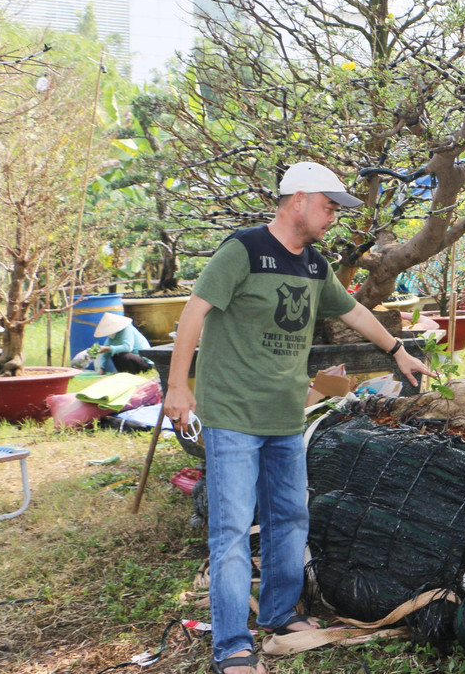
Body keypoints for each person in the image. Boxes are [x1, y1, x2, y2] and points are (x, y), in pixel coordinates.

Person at [162, 162, 436, 674]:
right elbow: (193, 313)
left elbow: (351, 311)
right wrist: (178, 386)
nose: (333, 215)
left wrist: (398, 350)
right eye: (329, 205)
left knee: (290, 519)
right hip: (234, 415)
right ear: (298, 199)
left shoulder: (313, 264)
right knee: (230, 531)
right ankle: (232, 649)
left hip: (287, 416)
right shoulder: (241, 251)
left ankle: (281, 615)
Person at [80, 312, 151, 374]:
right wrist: (101, 368)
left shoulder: (127, 329)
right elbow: (105, 354)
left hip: (144, 362)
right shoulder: (112, 337)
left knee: (124, 355)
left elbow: (128, 347)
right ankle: (124, 373)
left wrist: (107, 349)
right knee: (114, 355)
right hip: (133, 361)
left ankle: (132, 374)